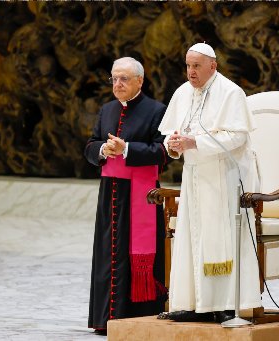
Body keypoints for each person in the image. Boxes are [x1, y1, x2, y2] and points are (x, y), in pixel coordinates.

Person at [157, 43, 261, 323]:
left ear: (212, 66)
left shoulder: (231, 93)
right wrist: (175, 145)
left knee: (218, 240)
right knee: (190, 238)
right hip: (193, 176)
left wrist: (195, 142)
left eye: (197, 66)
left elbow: (238, 137)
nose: (191, 71)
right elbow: (169, 135)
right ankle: (192, 304)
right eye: (188, 65)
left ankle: (223, 305)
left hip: (222, 177)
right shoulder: (183, 92)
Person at [84, 57, 168, 334]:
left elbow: (163, 152)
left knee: (135, 256)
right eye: (114, 79)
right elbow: (91, 144)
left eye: (124, 79)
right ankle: (105, 319)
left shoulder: (156, 110)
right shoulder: (107, 109)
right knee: (108, 253)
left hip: (142, 196)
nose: (117, 84)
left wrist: (128, 149)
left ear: (139, 81)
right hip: (110, 195)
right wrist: (101, 151)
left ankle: (138, 317)